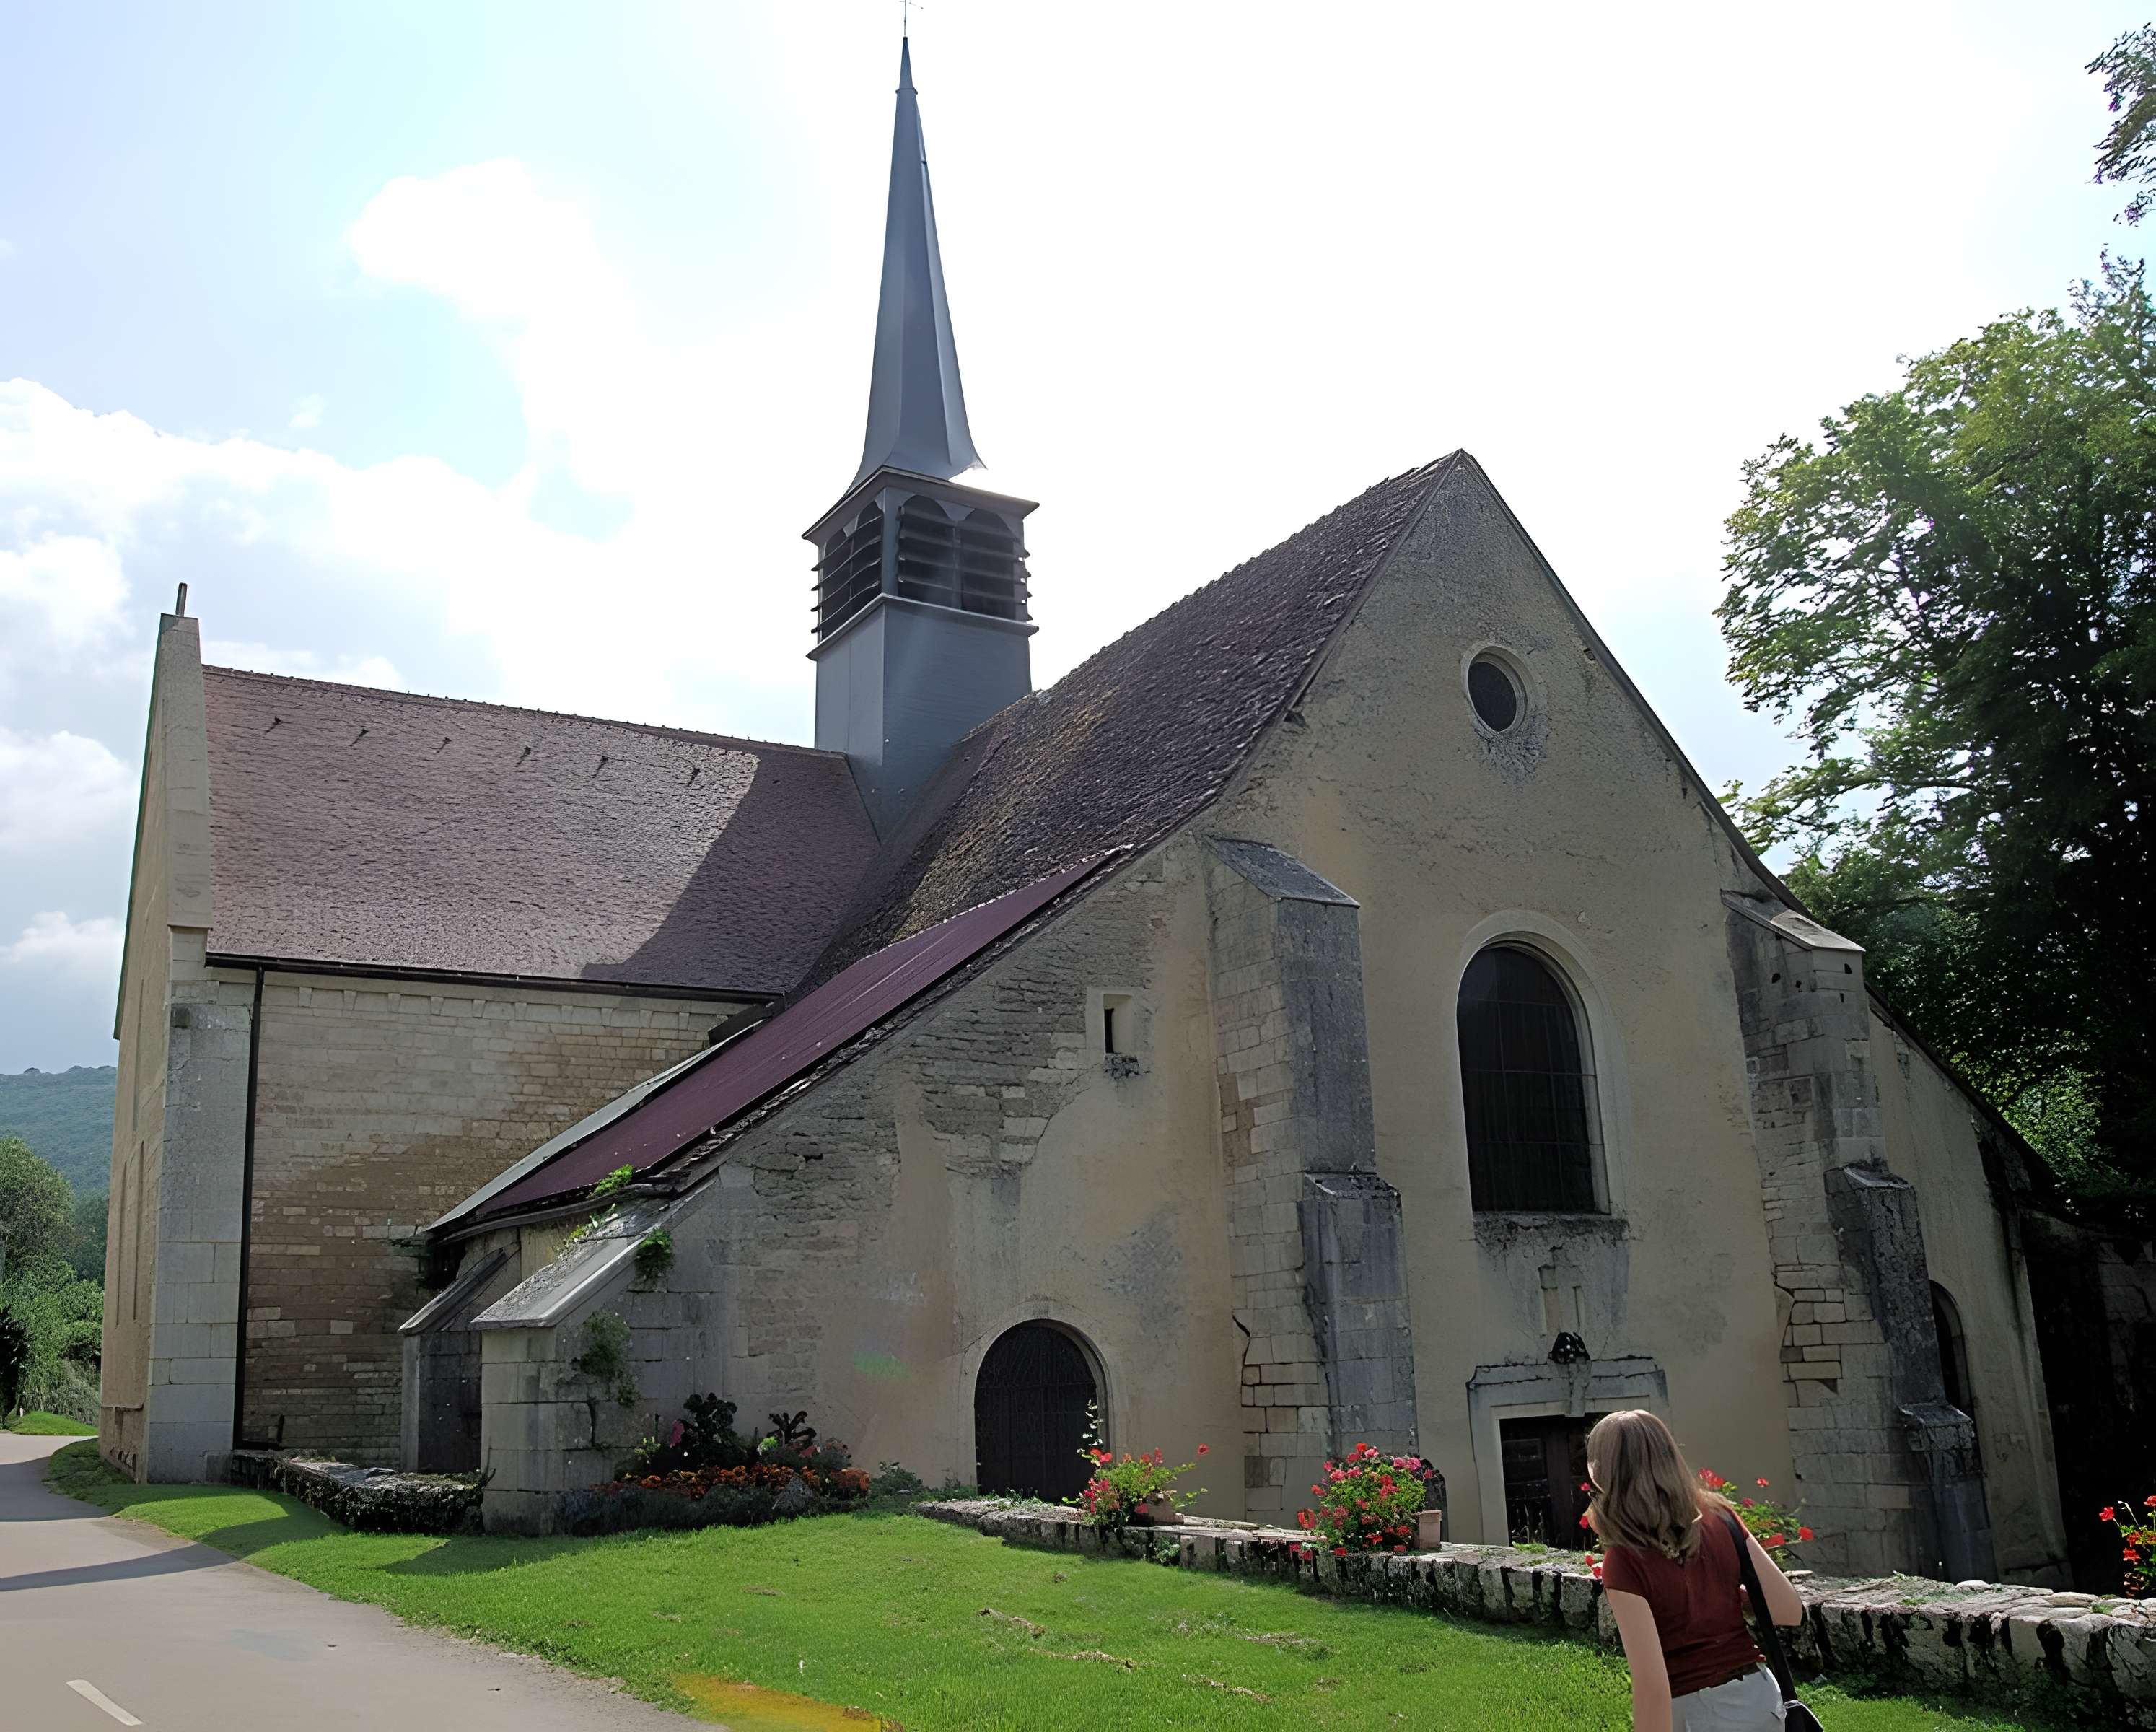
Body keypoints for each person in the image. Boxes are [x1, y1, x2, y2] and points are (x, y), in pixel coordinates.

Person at [1586, 1409, 1803, 1731]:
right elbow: (1790, 1610)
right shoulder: (1722, 1517)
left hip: (1697, 1711)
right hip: (1761, 1698)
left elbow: (1652, 1687)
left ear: (1603, 1472)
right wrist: (1730, 1596)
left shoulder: (1625, 1559)